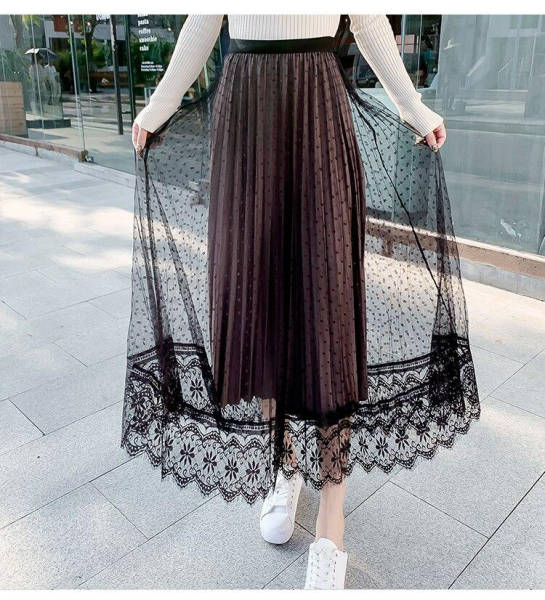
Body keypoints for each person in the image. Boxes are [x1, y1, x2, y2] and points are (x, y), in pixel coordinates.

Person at [125, 15, 479, 590]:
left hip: (318, 111)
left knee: (328, 307)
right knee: (257, 299)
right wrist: (157, 108)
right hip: (247, 122)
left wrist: (414, 108)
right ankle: (284, 464)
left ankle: (332, 518)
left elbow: (368, 20)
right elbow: (203, 20)